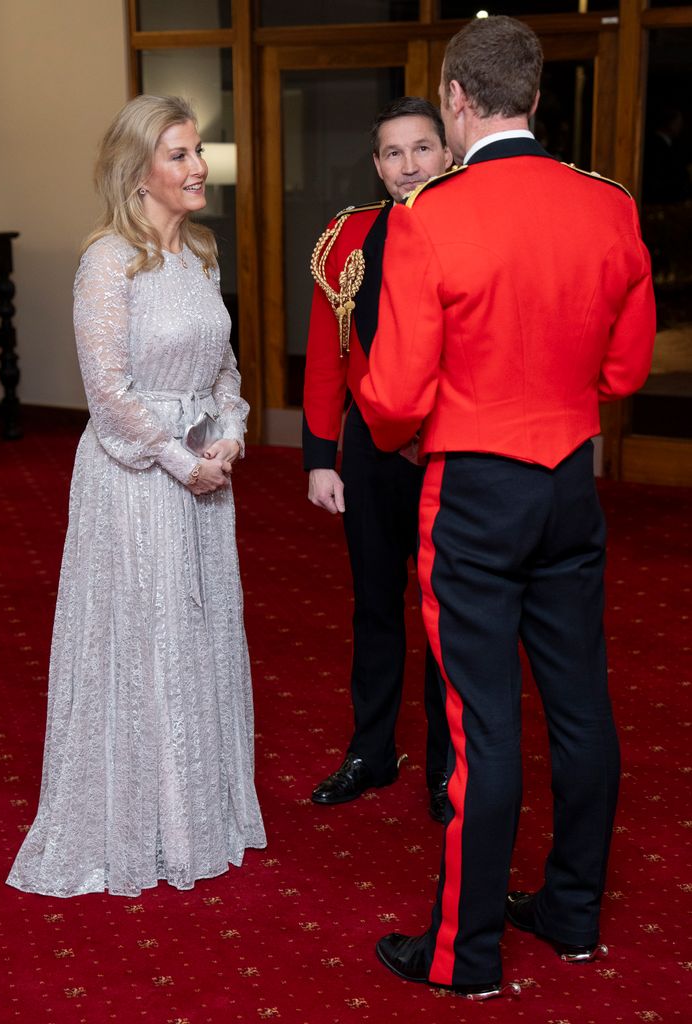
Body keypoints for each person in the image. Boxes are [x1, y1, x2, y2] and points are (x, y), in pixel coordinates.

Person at [356, 17, 656, 1000]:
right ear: (534, 94)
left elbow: (396, 397)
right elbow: (624, 368)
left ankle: (464, 953)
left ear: (453, 99)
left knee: (477, 723)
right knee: (580, 705)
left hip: (475, 489)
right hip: (570, 476)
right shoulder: (608, 206)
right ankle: (570, 914)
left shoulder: (428, 214)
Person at [7, 95, 266, 897]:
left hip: (202, 474)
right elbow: (109, 392)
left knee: (195, 634)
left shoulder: (203, 253)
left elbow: (225, 370)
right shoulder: (107, 262)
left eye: (198, 152)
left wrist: (229, 430)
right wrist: (178, 459)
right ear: (139, 171)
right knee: (144, 638)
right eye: (180, 155)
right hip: (137, 479)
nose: (197, 168)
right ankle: (136, 822)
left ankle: (197, 813)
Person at [303, 97, 452, 820]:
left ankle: (448, 767)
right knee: (374, 605)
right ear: (376, 163)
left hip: (451, 447)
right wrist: (317, 456)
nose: (407, 165)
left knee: (447, 614)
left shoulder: (472, 226)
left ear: (448, 150)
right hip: (367, 450)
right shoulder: (349, 237)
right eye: (392, 153)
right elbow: (328, 357)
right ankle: (371, 751)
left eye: (421, 148)